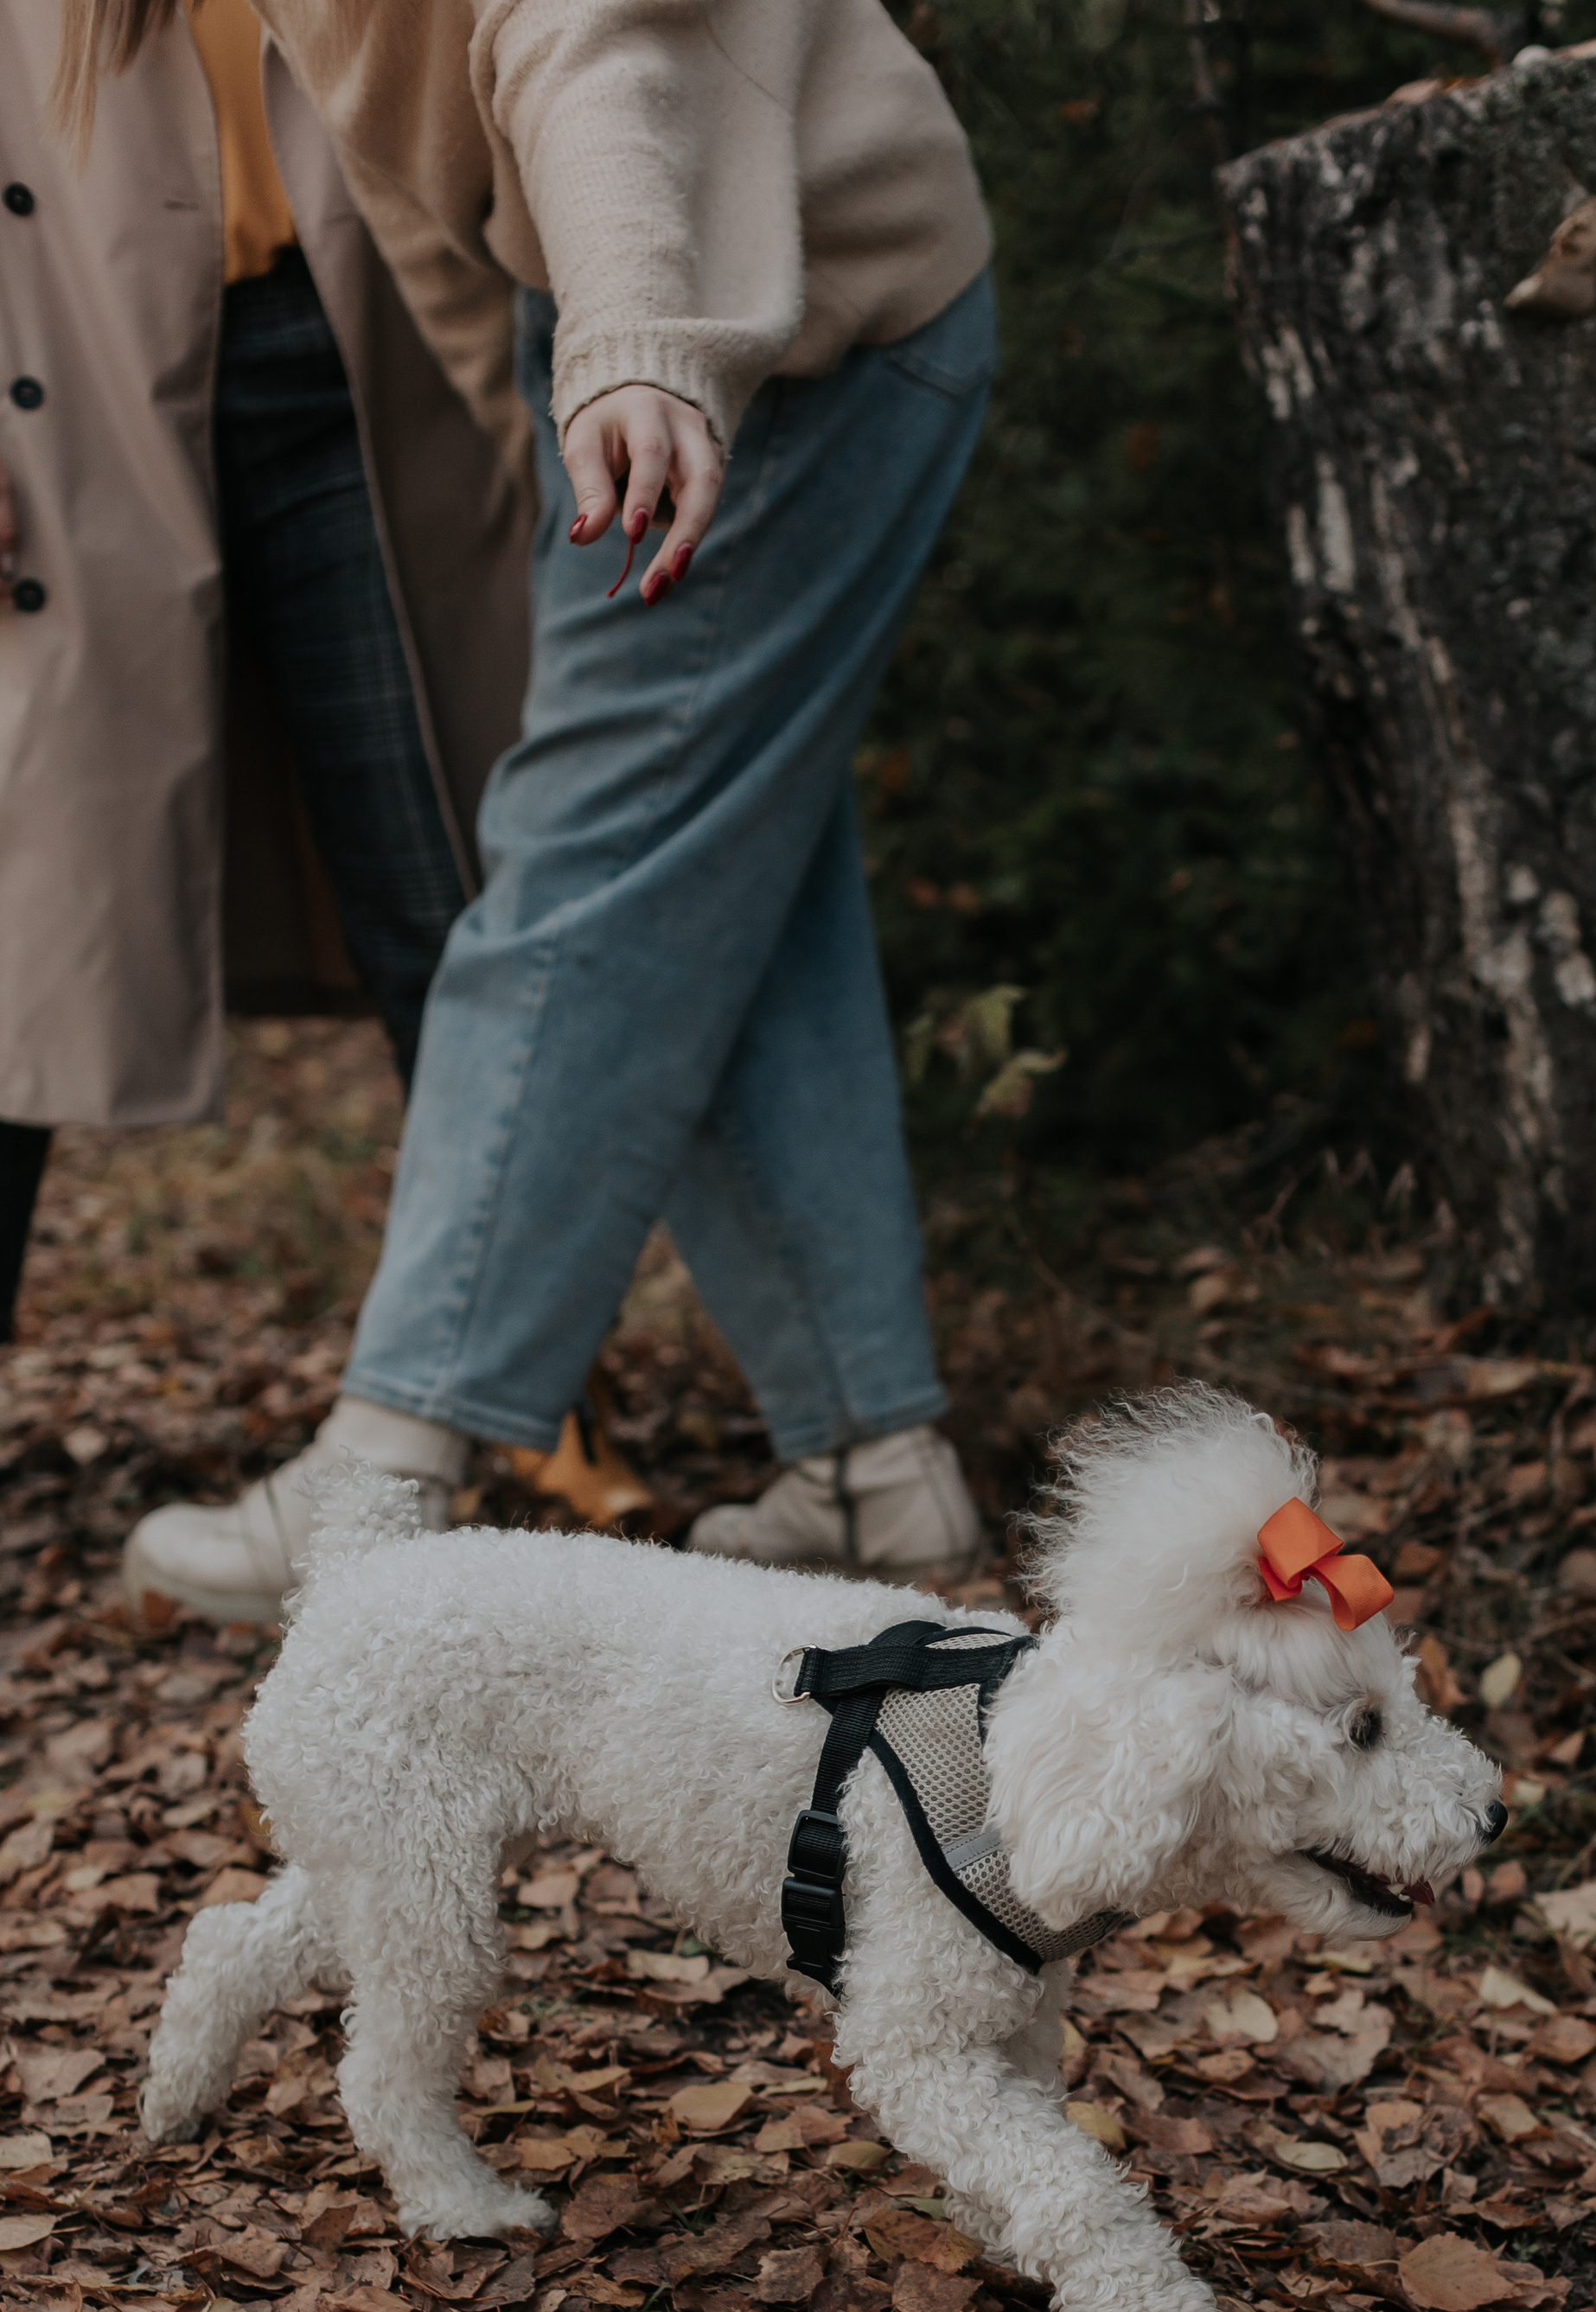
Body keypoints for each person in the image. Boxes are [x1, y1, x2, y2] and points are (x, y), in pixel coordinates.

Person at [67, 0, 999, 1630]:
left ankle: (383, 1476)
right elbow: (434, 213)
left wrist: (637, 344)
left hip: (784, 327)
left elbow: (588, 40)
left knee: (583, 879)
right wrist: (561, 406)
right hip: (677, 314)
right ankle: (871, 1459)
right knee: (724, 890)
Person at [0, 0, 531, 1345]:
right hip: (66, 366)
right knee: (17, 934)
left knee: (445, 891)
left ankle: (501, 1394)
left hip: (382, 340)